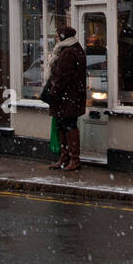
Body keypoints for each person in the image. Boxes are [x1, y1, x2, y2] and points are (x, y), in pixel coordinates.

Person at [44, 25, 86, 171]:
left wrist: (53, 92)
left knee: (68, 126)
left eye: (57, 35)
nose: (56, 37)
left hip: (67, 97)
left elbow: (61, 76)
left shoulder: (68, 52)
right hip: (69, 97)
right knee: (63, 126)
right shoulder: (73, 48)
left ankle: (72, 159)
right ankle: (66, 158)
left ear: (63, 36)